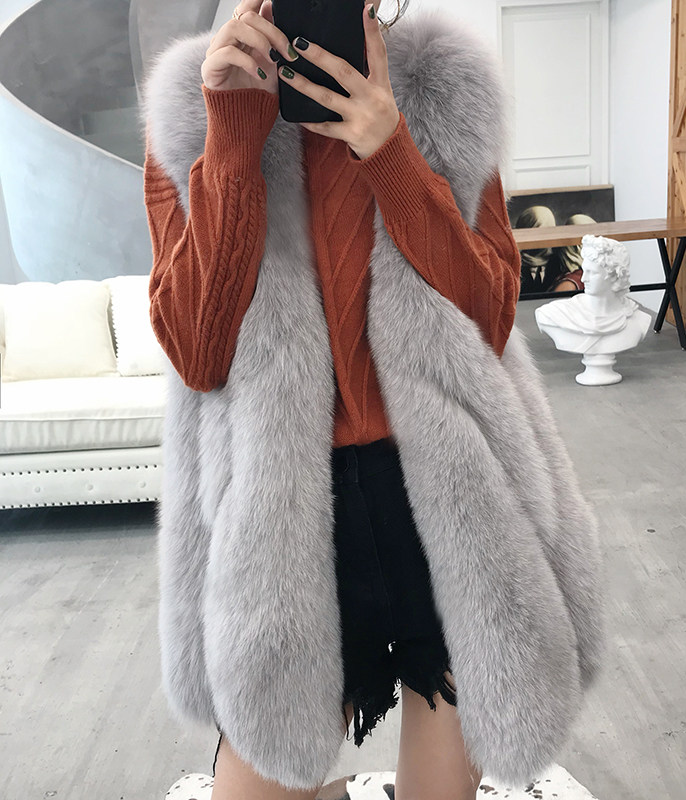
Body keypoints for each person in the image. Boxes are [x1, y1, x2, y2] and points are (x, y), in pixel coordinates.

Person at [143, 1, 523, 798]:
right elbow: (199, 354)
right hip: (282, 514)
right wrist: (232, 136)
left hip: (443, 501)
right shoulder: (193, 106)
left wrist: (392, 152)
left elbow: (486, 322)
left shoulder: (445, 87)